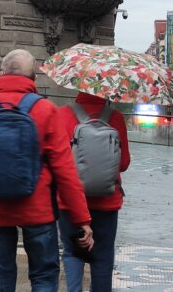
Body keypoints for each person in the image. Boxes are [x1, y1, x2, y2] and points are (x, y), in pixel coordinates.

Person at [0, 49, 94, 292]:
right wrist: (83, 219)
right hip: (38, 212)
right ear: (34, 79)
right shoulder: (46, 110)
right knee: (44, 277)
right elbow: (65, 172)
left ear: (2, 73)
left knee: (0, 282)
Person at [57, 92, 131, 292]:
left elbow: (57, 164)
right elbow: (123, 164)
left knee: (72, 253)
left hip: (70, 202)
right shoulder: (115, 117)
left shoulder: (62, 115)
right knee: (103, 257)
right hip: (107, 203)